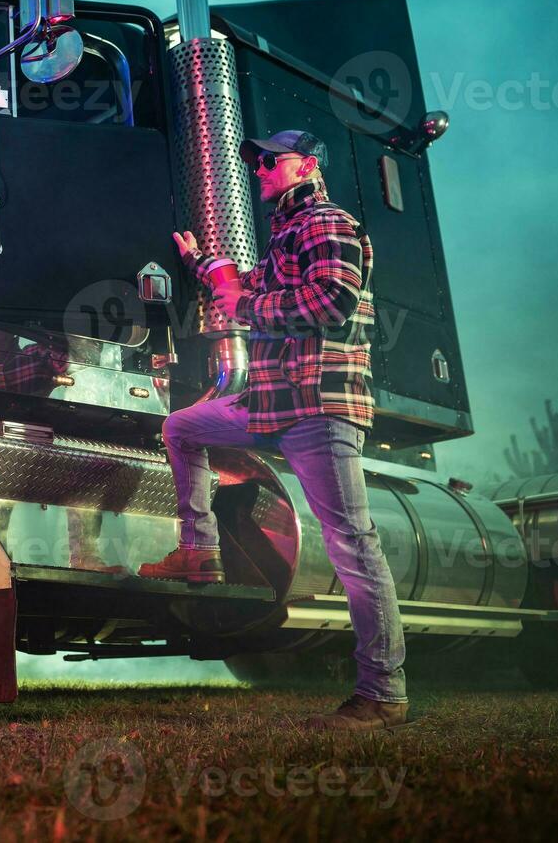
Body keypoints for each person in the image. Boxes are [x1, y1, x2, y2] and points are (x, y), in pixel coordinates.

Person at [140, 130, 409, 732]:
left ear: (307, 165)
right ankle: (201, 551)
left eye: (272, 160)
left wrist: (240, 307)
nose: (260, 169)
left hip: (317, 408)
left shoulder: (326, 221)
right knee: (182, 426)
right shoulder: (287, 233)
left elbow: (331, 303)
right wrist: (206, 265)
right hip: (270, 406)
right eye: (256, 161)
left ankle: (383, 692)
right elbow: (251, 286)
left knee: (351, 544)